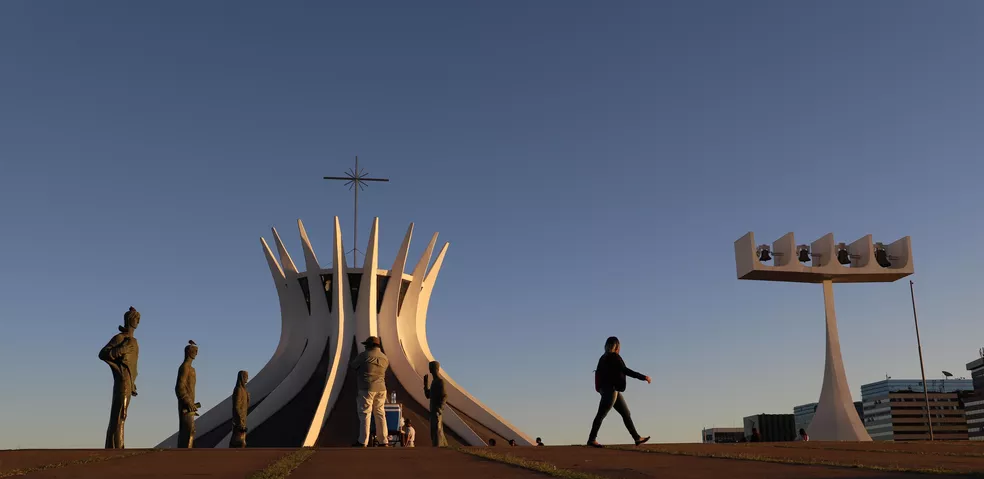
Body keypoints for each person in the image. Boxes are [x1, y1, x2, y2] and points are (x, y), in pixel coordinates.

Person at [587, 336, 651, 448]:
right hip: (610, 391)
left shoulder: (603, 358)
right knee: (601, 414)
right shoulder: (614, 357)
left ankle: (637, 438)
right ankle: (592, 439)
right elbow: (625, 370)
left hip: (609, 390)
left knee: (626, 413)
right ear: (616, 346)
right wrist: (643, 377)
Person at [99, 306, 141, 449]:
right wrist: (121, 350)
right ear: (129, 320)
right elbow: (103, 354)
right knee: (119, 413)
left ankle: (116, 445)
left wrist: (133, 382)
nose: (137, 322)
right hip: (121, 380)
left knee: (122, 414)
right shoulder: (120, 338)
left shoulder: (134, 341)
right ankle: (115, 446)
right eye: (135, 318)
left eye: (138, 319)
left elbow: (133, 366)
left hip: (129, 381)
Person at [349, 336, 389, 447]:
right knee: (380, 413)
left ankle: (363, 441)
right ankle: (383, 440)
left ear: (370, 346)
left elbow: (353, 365)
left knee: (365, 414)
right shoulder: (385, 358)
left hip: (366, 388)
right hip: (381, 388)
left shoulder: (364, 356)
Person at [423, 361, 449, 447]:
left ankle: (440, 450)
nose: (430, 370)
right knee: (434, 432)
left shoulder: (440, 382)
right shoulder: (434, 382)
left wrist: (440, 408)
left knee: (437, 432)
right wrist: (425, 384)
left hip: (437, 411)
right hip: (433, 411)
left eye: (431, 368)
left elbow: (445, 396)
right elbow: (428, 395)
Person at [230, 370, 249, 448]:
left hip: (243, 420)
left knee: (242, 441)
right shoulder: (238, 390)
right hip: (239, 422)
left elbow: (246, 407)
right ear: (242, 377)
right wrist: (240, 420)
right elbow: (236, 407)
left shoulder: (244, 391)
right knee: (239, 442)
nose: (247, 378)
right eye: (245, 376)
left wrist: (248, 399)